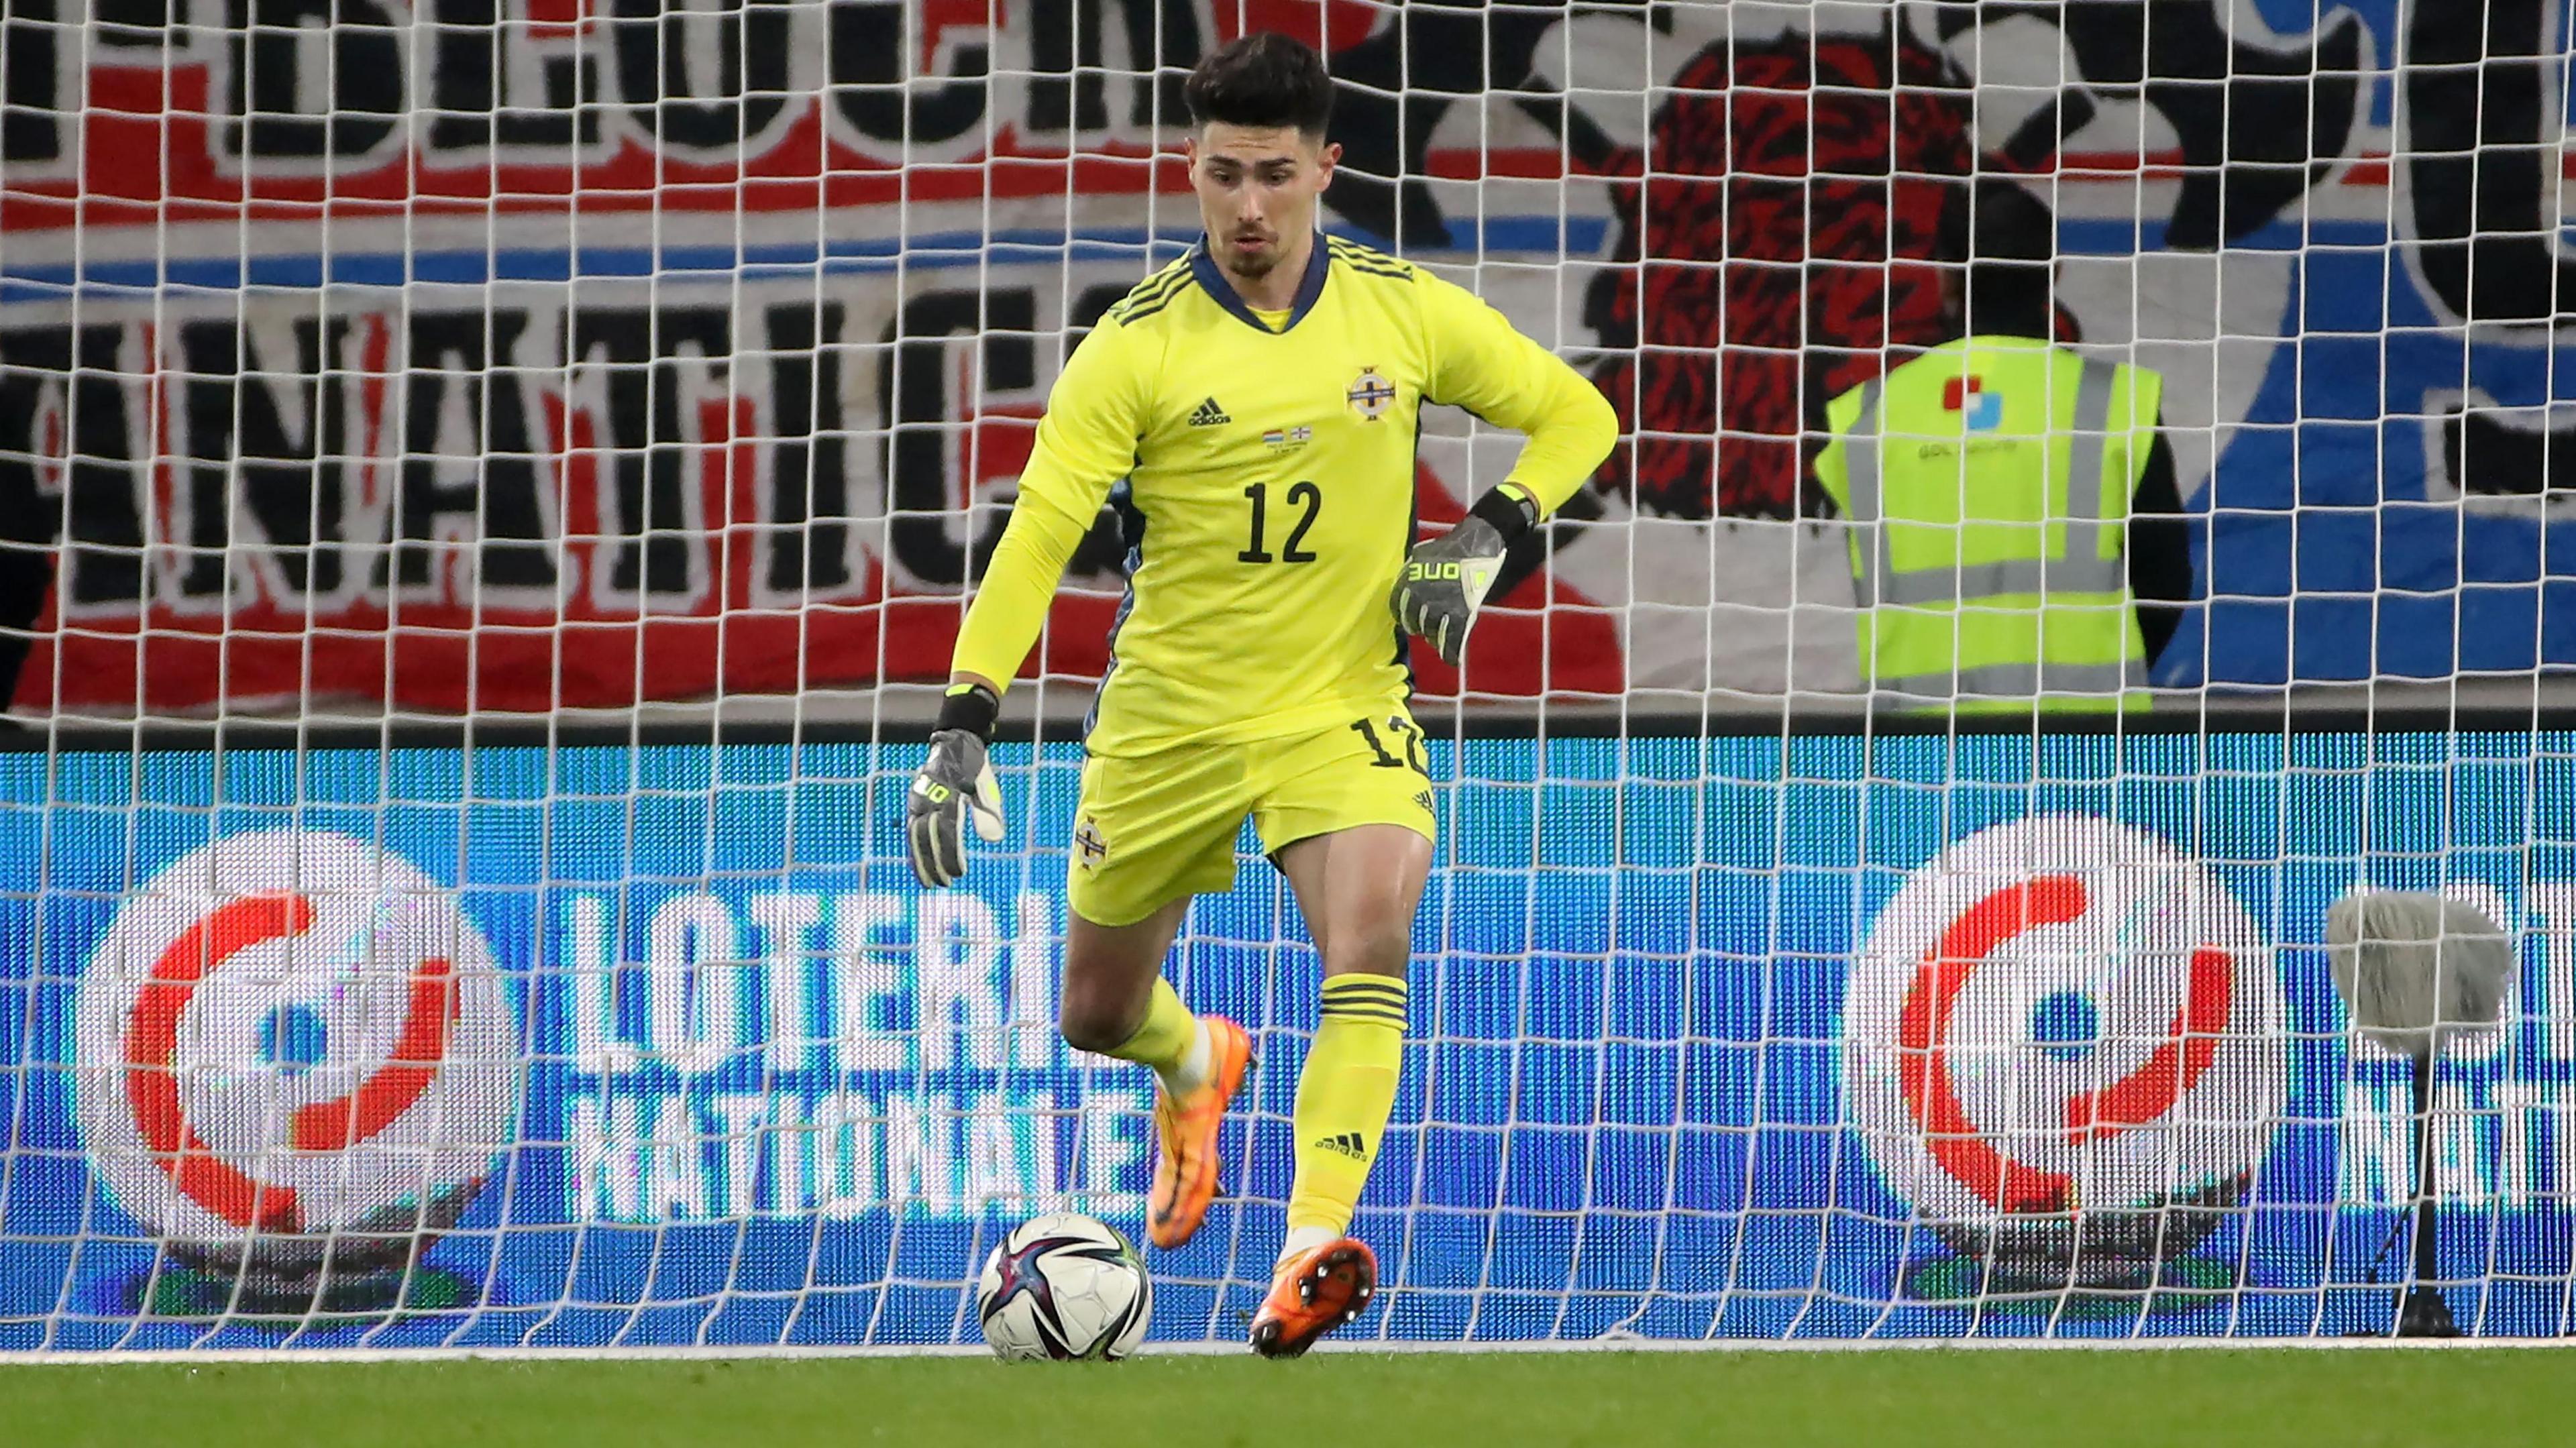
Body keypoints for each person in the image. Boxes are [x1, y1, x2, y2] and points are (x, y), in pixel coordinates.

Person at [901, 32, 1615, 1357]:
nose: (1247, 206)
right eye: (1222, 174)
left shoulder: (1403, 310)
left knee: (1373, 937)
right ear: (1190, 166)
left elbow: (1579, 415)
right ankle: (1195, 1056)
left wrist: (1486, 541)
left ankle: (1308, 1245)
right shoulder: (1138, 347)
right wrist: (964, 719)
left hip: (1339, 705)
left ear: (1324, 168)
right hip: (1170, 715)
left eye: (1274, 176)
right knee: (1096, 1012)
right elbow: (1040, 529)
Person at [1812, 178, 2198, 710]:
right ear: (2053, 273)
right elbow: (2166, 579)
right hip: (2082, 744)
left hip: (1920, 753)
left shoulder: (1865, 417)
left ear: (1946, 275)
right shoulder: (2115, 403)